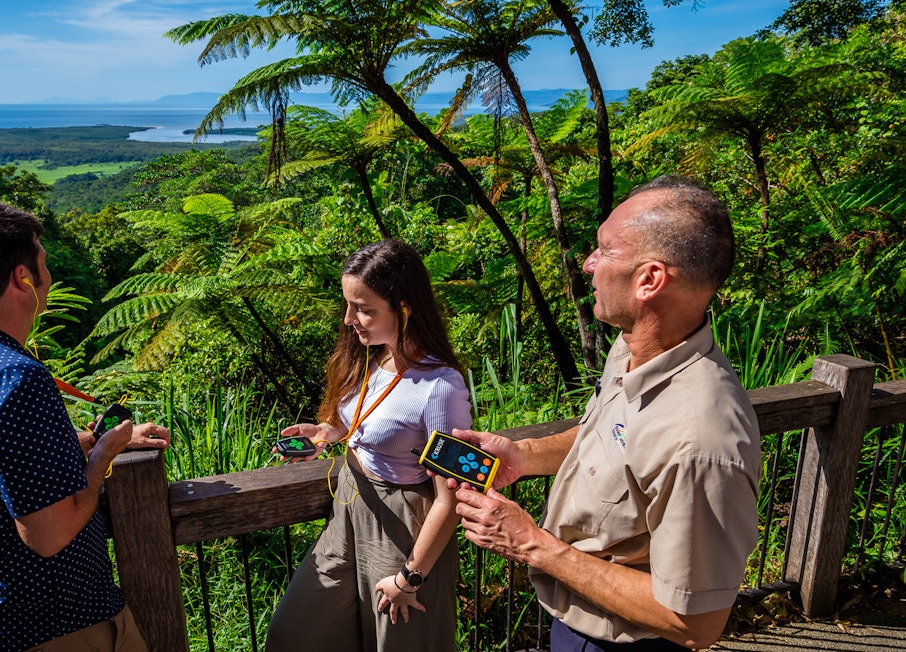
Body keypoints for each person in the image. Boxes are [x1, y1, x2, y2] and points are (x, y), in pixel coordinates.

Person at [448, 176, 762, 651]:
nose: (589, 264)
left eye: (604, 249)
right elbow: (610, 435)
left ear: (650, 280)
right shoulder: (635, 348)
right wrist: (522, 454)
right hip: (576, 622)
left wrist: (532, 544)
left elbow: (694, 623)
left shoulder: (700, 441)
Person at [0, 198, 171, 652]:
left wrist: (89, 441)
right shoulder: (14, 376)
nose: (49, 276)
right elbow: (49, 535)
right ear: (22, 278)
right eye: (43, 264)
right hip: (54, 623)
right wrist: (102, 457)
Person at [265, 239, 473, 652]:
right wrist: (327, 433)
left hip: (404, 528)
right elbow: (369, 420)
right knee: (292, 634)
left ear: (405, 308)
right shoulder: (372, 355)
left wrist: (410, 577)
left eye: (363, 309)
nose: (349, 319)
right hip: (349, 507)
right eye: (348, 305)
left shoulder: (441, 388)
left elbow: (451, 501)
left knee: (397, 643)